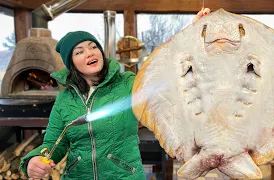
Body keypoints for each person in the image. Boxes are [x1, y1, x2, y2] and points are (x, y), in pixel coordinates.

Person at [20, 8, 211, 180]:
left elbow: (164, 70)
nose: (89, 53)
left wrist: (192, 34)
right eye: (79, 52)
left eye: (93, 47)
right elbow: (54, 143)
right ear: (71, 64)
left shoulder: (127, 83)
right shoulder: (64, 99)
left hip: (125, 176)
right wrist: (34, 159)